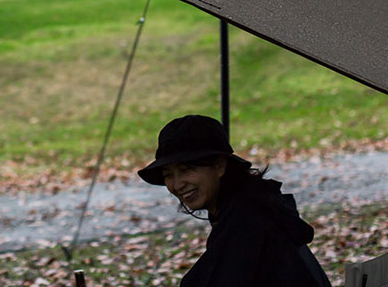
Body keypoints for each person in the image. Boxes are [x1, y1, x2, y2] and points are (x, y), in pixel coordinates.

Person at [137, 114, 332, 287]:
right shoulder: (248, 205)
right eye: (168, 175)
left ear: (220, 166)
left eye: (187, 170)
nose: (177, 184)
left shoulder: (248, 219)